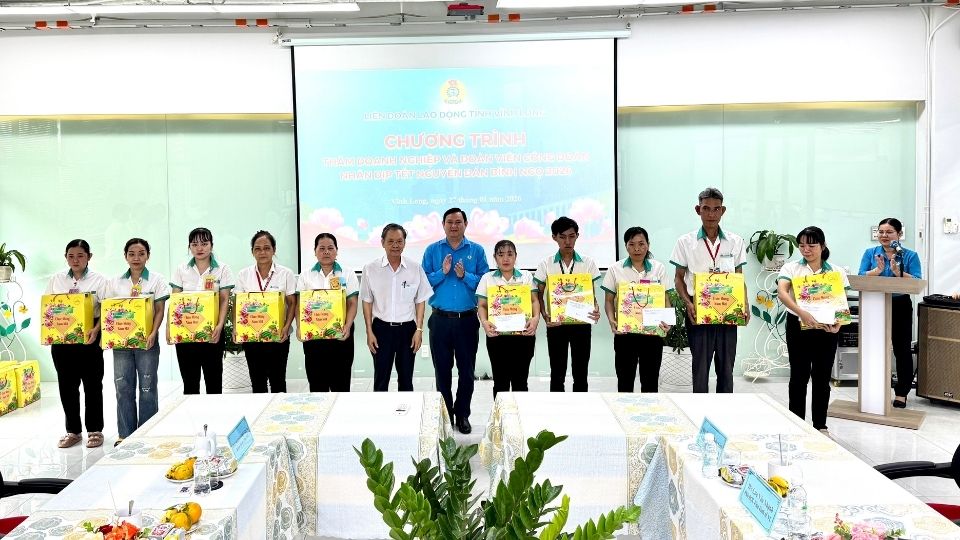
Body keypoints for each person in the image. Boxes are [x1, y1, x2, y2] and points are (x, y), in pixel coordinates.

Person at [671, 187, 750, 393]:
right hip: (699, 312)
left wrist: (746, 305)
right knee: (700, 369)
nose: (711, 214)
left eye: (716, 209)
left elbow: (739, 277)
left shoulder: (735, 241)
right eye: (706, 208)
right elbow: (678, 279)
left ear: (723, 211)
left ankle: (723, 415)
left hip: (728, 310)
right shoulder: (685, 242)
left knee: (726, 369)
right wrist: (688, 303)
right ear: (698, 210)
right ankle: (700, 414)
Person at [422, 208, 489, 434]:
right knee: (442, 371)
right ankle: (445, 414)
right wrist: (442, 272)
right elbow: (422, 283)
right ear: (443, 225)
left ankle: (462, 415)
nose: (453, 226)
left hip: (467, 321)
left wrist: (465, 276)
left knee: (466, 371)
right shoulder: (432, 251)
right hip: (439, 320)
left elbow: (485, 283)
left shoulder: (477, 251)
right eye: (449, 222)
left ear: (465, 224)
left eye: (458, 222)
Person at [777, 226, 846, 432]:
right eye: (802, 245)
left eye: (811, 245)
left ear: (822, 246)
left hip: (826, 329)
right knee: (798, 376)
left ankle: (820, 425)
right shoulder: (791, 268)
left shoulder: (836, 271)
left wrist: (838, 324)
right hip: (798, 326)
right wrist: (802, 312)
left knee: (822, 377)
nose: (806, 250)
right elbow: (782, 292)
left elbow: (841, 302)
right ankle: (796, 424)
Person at [45, 239, 108, 449]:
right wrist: (50, 333)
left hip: (90, 337)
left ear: (89, 257)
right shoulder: (56, 279)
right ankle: (73, 431)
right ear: (66, 257)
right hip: (63, 340)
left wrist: (96, 330)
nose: (75, 260)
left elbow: (105, 310)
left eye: (80, 255)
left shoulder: (100, 280)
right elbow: (49, 308)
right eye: (71, 256)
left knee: (92, 385)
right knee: (66, 386)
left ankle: (95, 430)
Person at [107, 238, 169, 445]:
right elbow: (110, 312)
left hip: (147, 342)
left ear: (148, 256)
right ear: (125, 256)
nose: (136, 258)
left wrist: (153, 333)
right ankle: (125, 435)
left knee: (148, 386)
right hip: (121, 344)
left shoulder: (157, 280)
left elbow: (160, 310)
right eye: (131, 253)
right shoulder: (115, 282)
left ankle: (148, 434)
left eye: (141, 253)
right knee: (122, 387)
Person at [858, 217, 922, 409]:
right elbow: (860, 275)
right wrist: (876, 271)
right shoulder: (870, 253)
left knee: (902, 349)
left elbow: (917, 281)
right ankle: (875, 390)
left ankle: (902, 393)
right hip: (874, 304)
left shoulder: (910, 255)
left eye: (889, 232)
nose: (884, 236)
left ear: (899, 234)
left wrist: (898, 272)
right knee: (874, 348)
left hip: (900, 304)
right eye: (881, 232)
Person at [360, 224, 433, 392]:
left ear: (404, 243)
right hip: (381, 329)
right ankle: (380, 416)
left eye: (399, 241)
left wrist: (419, 330)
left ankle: (406, 415)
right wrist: (369, 331)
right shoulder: (370, 269)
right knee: (381, 379)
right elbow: (366, 301)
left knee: (406, 380)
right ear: (382, 243)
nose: (395, 245)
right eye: (391, 241)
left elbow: (420, 301)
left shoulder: (415, 268)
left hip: (407, 330)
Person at [534, 216, 602, 392]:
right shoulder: (546, 264)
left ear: (577, 236)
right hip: (556, 324)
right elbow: (538, 294)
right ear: (554, 237)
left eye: (572, 236)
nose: (567, 241)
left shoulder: (588, 263)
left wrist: (596, 308)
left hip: (582, 323)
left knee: (581, 372)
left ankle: (580, 411)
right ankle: (557, 412)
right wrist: (545, 316)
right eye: (562, 236)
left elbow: (592, 294)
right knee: (557, 372)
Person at [602, 227, 672, 393]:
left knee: (650, 381)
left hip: (653, 334)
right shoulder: (615, 269)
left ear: (648, 244)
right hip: (625, 335)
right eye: (632, 244)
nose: (637, 248)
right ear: (626, 246)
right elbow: (609, 300)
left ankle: (650, 416)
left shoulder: (658, 268)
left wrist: (668, 322)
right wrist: (612, 321)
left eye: (641, 244)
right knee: (625, 381)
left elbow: (666, 299)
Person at [170, 227, 233, 394]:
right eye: (195, 244)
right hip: (185, 334)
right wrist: (170, 327)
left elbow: (225, 299)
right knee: (190, 384)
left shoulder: (223, 269)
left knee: (214, 382)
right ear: (189, 247)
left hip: (212, 332)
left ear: (211, 245)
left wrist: (220, 326)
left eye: (204, 243)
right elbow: (175, 300)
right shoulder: (181, 269)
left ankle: (214, 418)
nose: (199, 248)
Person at [234, 230, 297, 393]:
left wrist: (287, 326)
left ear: (274, 250)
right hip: (252, 336)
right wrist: (236, 328)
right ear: (252, 251)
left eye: (267, 248)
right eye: (258, 248)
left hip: (279, 336)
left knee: (278, 380)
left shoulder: (286, 274)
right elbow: (238, 304)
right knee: (257, 381)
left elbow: (292, 303)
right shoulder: (244, 274)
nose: (262, 252)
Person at [476, 240, 540, 398]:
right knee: (500, 383)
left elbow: (534, 300)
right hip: (497, 337)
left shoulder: (525, 276)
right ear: (495, 258)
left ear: (516, 257)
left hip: (523, 337)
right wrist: (484, 322)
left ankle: (520, 419)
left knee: (520, 382)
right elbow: (482, 305)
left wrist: (536, 318)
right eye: (501, 254)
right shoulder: (487, 278)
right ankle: (500, 421)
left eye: (510, 254)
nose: (506, 258)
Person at [297, 232, 359, 392]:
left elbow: (352, 303)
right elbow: (299, 305)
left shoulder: (347, 273)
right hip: (314, 337)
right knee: (317, 383)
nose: (326, 252)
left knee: (341, 383)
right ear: (315, 251)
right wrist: (299, 327)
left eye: (330, 248)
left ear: (336, 251)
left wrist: (348, 325)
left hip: (341, 334)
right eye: (322, 248)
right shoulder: (305, 275)